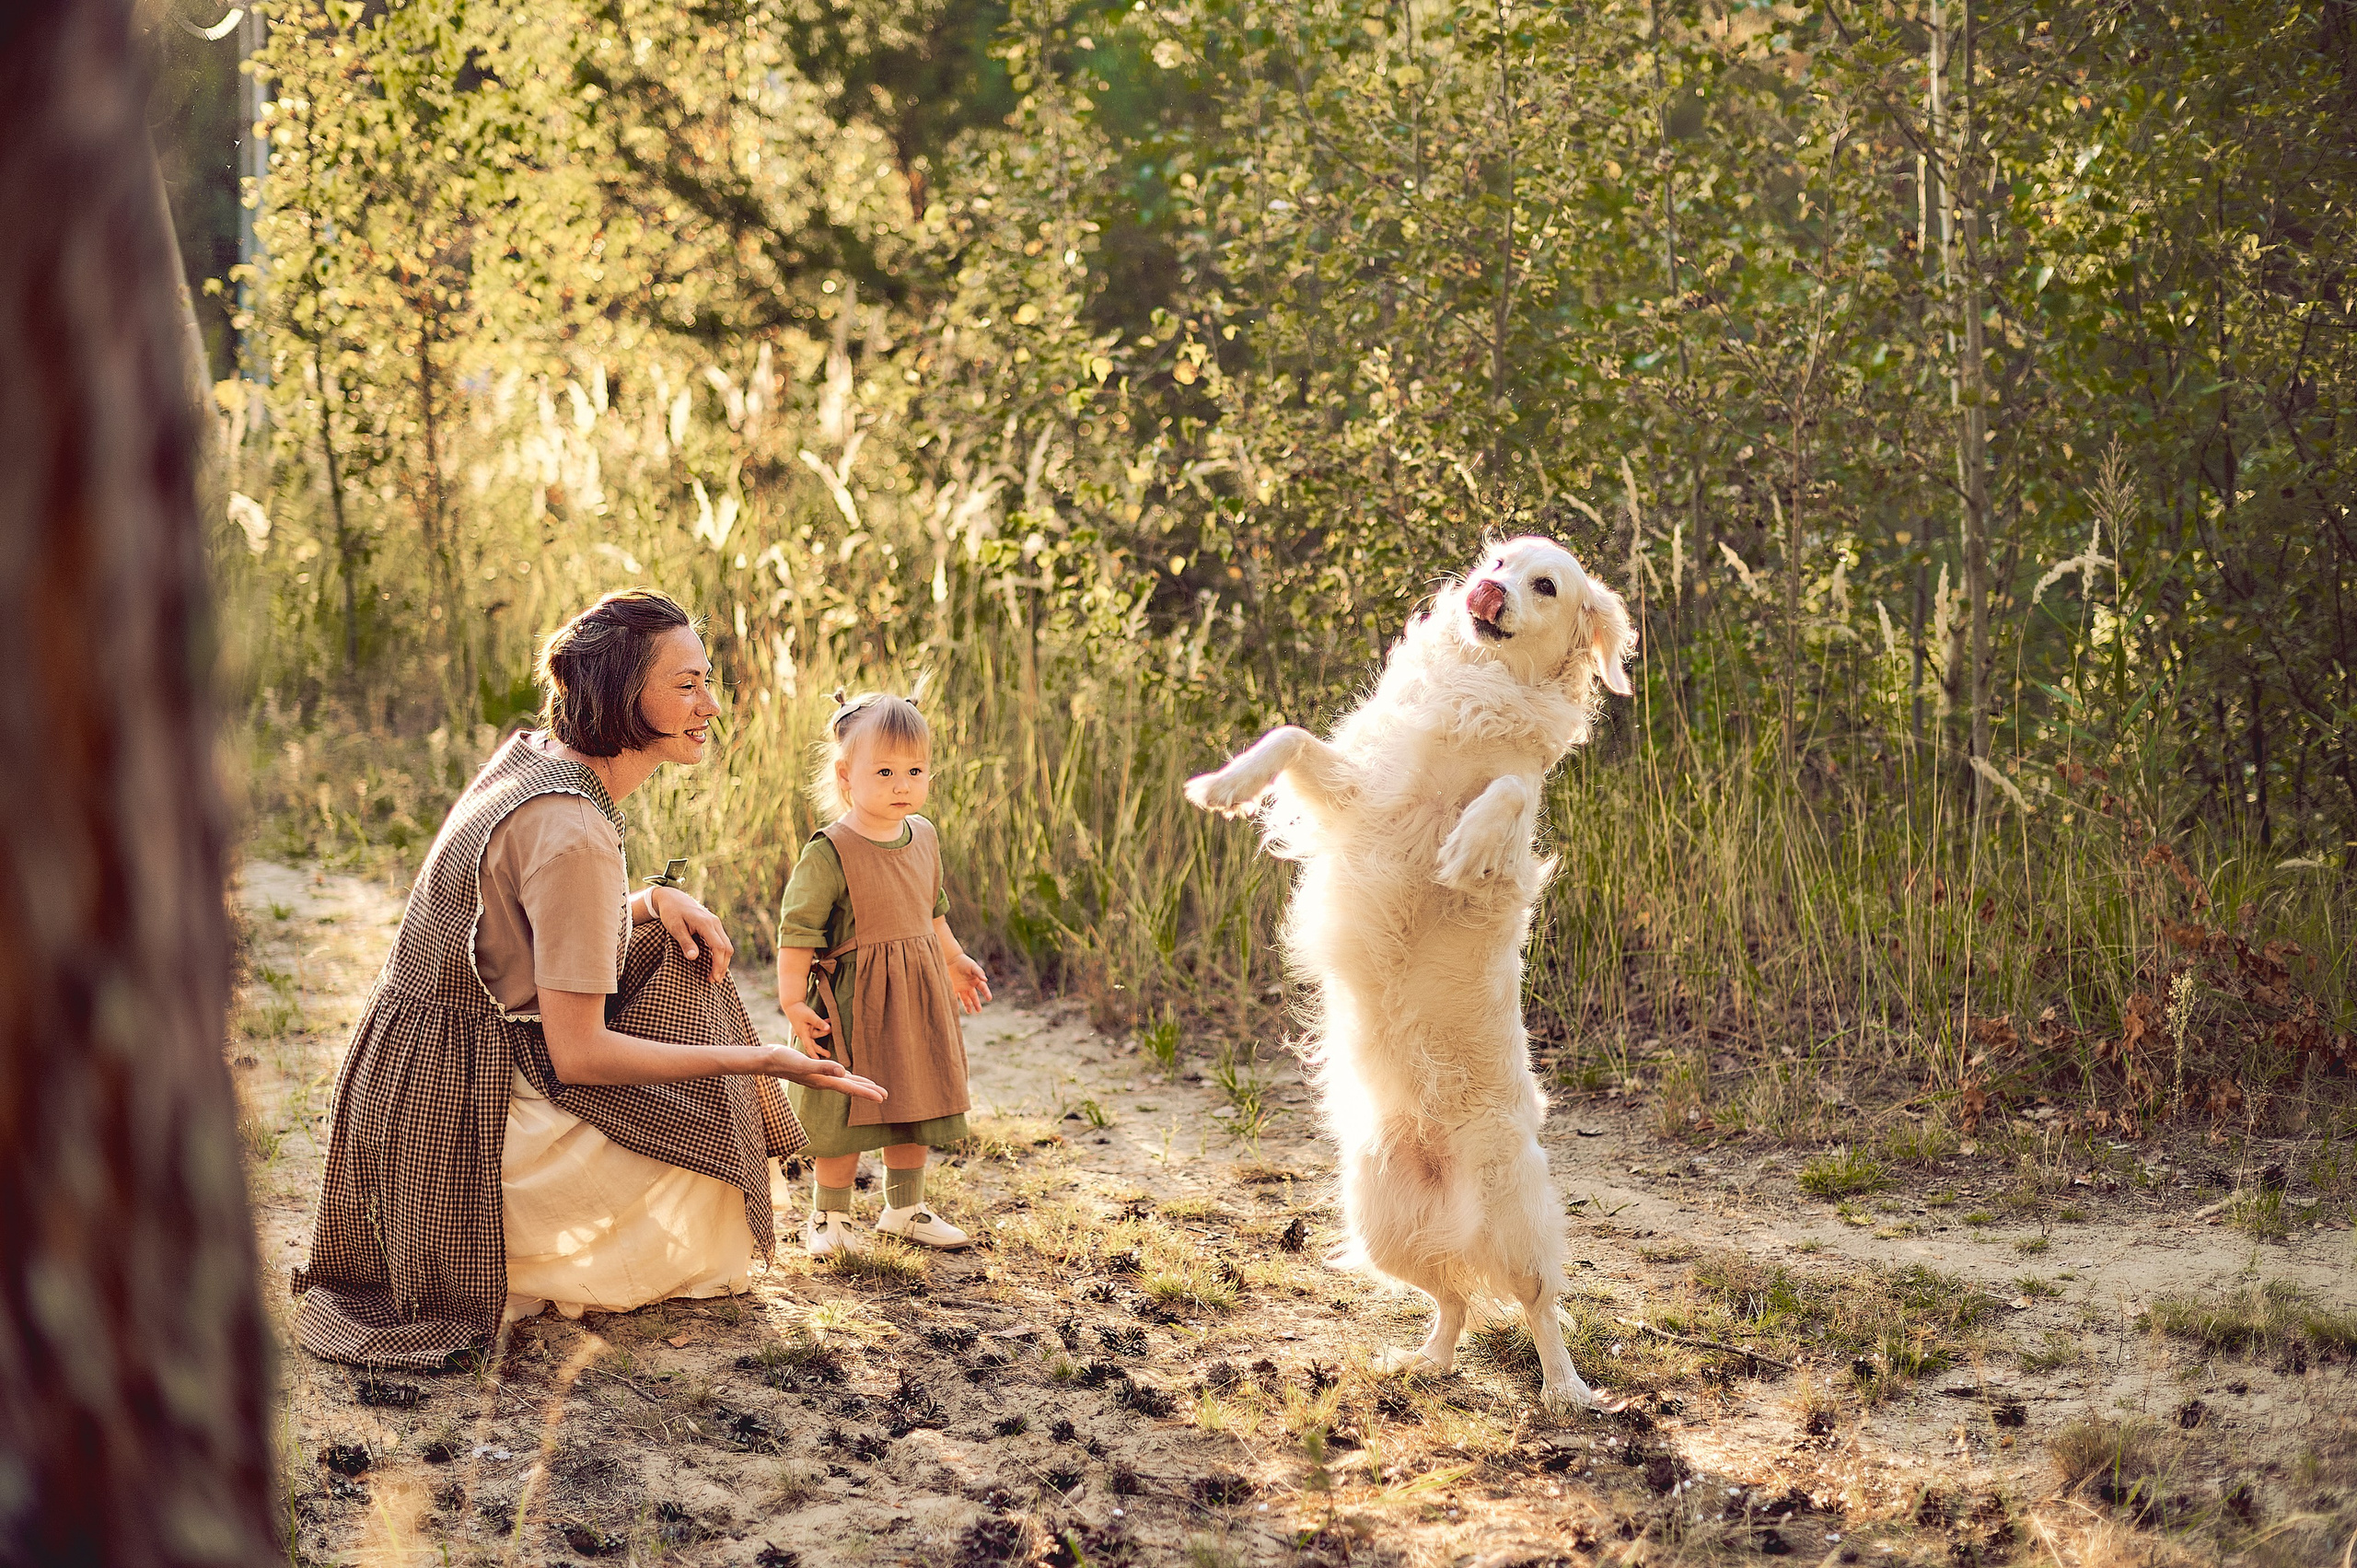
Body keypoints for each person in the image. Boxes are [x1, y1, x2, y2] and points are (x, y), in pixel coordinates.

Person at [292, 590, 883, 1368]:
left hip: (407, 1087)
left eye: (706, 680)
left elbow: (529, 919)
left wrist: (650, 901)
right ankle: (531, 1248)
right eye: (685, 686)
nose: (710, 703)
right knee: (705, 1135)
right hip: (451, 1125)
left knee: (678, 961)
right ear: (618, 694)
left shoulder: (536, 759)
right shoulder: (575, 830)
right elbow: (581, 1055)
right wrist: (760, 1061)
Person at [775, 691, 992, 1255]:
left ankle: (906, 1208)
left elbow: (932, 909)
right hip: (853, 1001)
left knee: (913, 1097)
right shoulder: (830, 850)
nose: (903, 785)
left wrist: (953, 958)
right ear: (847, 776)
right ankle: (830, 1218)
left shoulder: (923, 835)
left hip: (916, 993)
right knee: (845, 1108)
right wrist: (794, 1004)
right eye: (886, 771)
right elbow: (796, 933)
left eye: (915, 771)